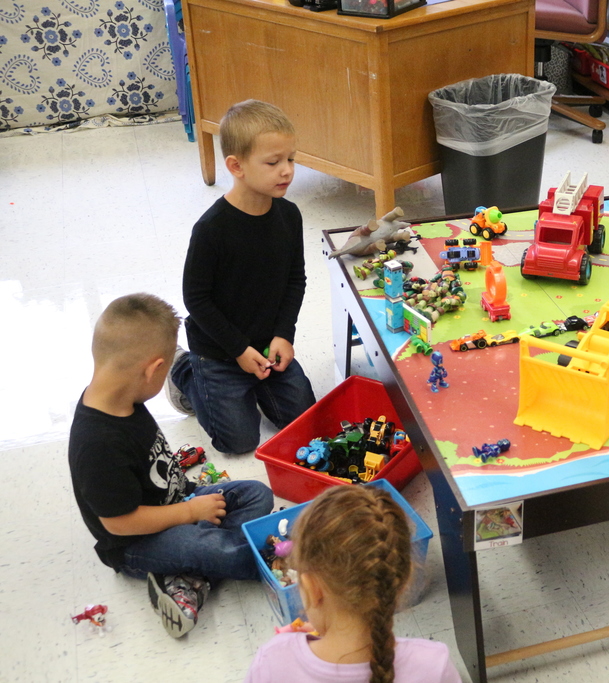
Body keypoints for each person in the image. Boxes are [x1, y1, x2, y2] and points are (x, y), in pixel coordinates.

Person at [69, 294, 275, 638]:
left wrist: (192, 507)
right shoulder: (97, 443)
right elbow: (118, 524)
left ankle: (188, 580)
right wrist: (190, 514)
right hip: (135, 544)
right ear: (152, 369)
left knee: (255, 494)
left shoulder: (124, 395)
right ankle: (272, 564)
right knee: (211, 547)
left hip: (179, 502)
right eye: (165, 370)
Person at [166, 99, 316, 454]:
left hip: (266, 343)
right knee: (238, 442)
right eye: (273, 162)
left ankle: (259, 385)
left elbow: (296, 279)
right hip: (218, 351)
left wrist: (284, 334)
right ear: (236, 166)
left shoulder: (289, 216)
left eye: (291, 159)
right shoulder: (211, 230)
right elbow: (196, 299)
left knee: (305, 421)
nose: (287, 171)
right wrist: (237, 350)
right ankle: (185, 370)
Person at [245, 486, 461, 683]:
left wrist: (288, 649)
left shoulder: (272, 662)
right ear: (402, 583)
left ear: (311, 588)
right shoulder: (434, 666)